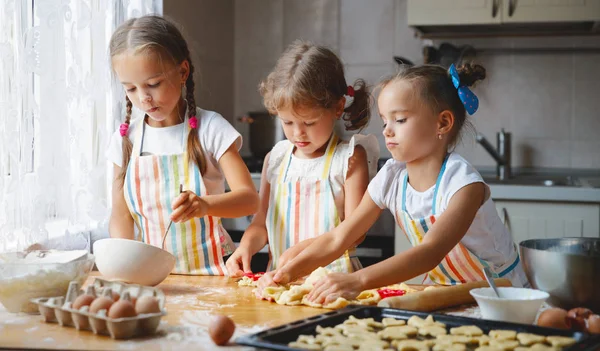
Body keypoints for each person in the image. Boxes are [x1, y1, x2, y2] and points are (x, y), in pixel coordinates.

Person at [257, 63, 529, 304]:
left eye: (399, 120)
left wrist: (357, 281)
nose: (386, 130)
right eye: (385, 120)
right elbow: (340, 237)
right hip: (448, 294)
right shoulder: (391, 177)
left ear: (443, 123)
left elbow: (429, 252)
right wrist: (286, 273)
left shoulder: (463, 185)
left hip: (503, 298)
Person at [106, 15, 258, 275]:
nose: (143, 98)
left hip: (214, 274)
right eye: (130, 89)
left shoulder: (211, 129)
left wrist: (205, 205)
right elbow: (121, 216)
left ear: (182, 72)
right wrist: (126, 271)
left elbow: (249, 200)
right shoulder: (125, 138)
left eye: (153, 84)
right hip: (154, 277)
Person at [226, 40, 379, 277]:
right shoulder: (275, 159)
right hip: (279, 283)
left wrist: (303, 251)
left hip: (334, 284)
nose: (298, 133)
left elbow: (355, 233)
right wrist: (244, 247)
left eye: (309, 122)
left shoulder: (349, 159)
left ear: (338, 108)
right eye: (287, 122)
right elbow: (260, 224)